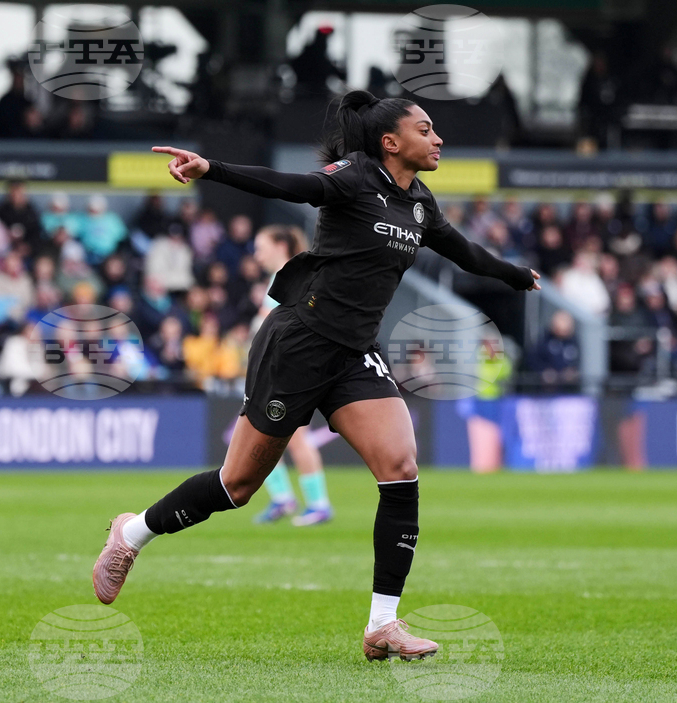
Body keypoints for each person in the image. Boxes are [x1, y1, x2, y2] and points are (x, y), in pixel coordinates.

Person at [91, 90, 541, 662]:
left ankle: (383, 624)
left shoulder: (419, 203)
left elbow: (464, 251)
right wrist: (212, 169)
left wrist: (515, 276)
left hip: (354, 353)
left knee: (401, 468)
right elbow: (290, 186)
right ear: (390, 142)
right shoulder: (354, 177)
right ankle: (130, 535)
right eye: (426, 130)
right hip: (300, 342)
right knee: (238, 486)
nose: (438, 139)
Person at [250, 224, 334, 526]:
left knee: (292, 438)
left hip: (286, 372)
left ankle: (315, 503)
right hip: (274, 371)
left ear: (279, 245)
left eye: (261, 247)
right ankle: (286, 499)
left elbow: (278, 326)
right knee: (260, 437)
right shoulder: (282, 278)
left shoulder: (291, 278)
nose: (256, 255)